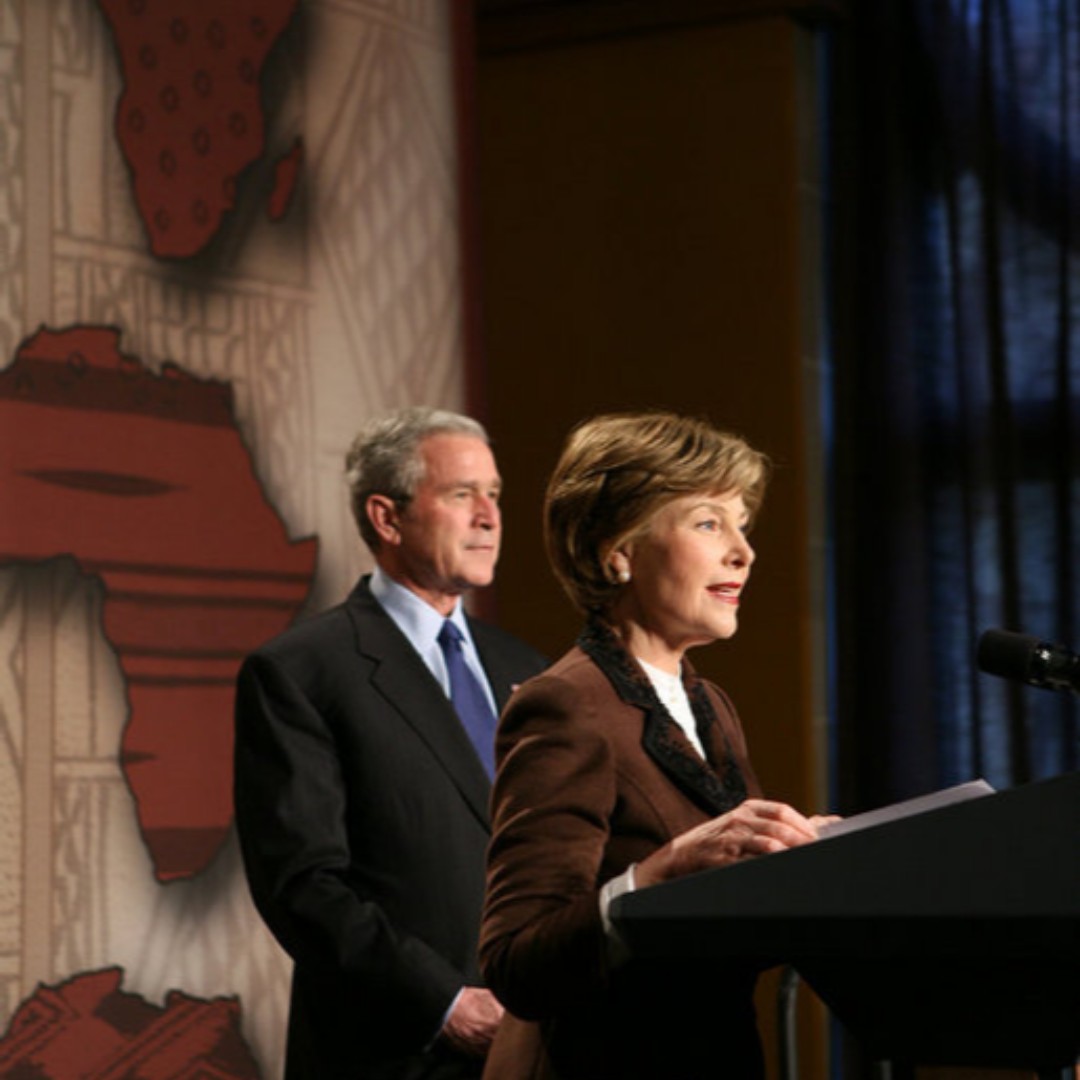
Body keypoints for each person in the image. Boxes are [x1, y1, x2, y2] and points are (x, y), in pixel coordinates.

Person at [479, 411, 832, 1080]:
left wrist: (804, 863)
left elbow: (720, 921)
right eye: (708, 523)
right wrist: (659, 875)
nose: (743, 551)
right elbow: (516, 962)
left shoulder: (710, 705)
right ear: (619, 551)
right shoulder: (565, 706)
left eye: (742, 526)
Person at [234, 406, 548, 1080]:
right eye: (462, 494)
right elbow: (303, 883)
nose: (489, 517)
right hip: (394, 1050)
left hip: (534, 1048)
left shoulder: (531, 669)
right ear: (387, 516)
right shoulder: (302, 670)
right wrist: (444, 1003)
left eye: (494, 495)